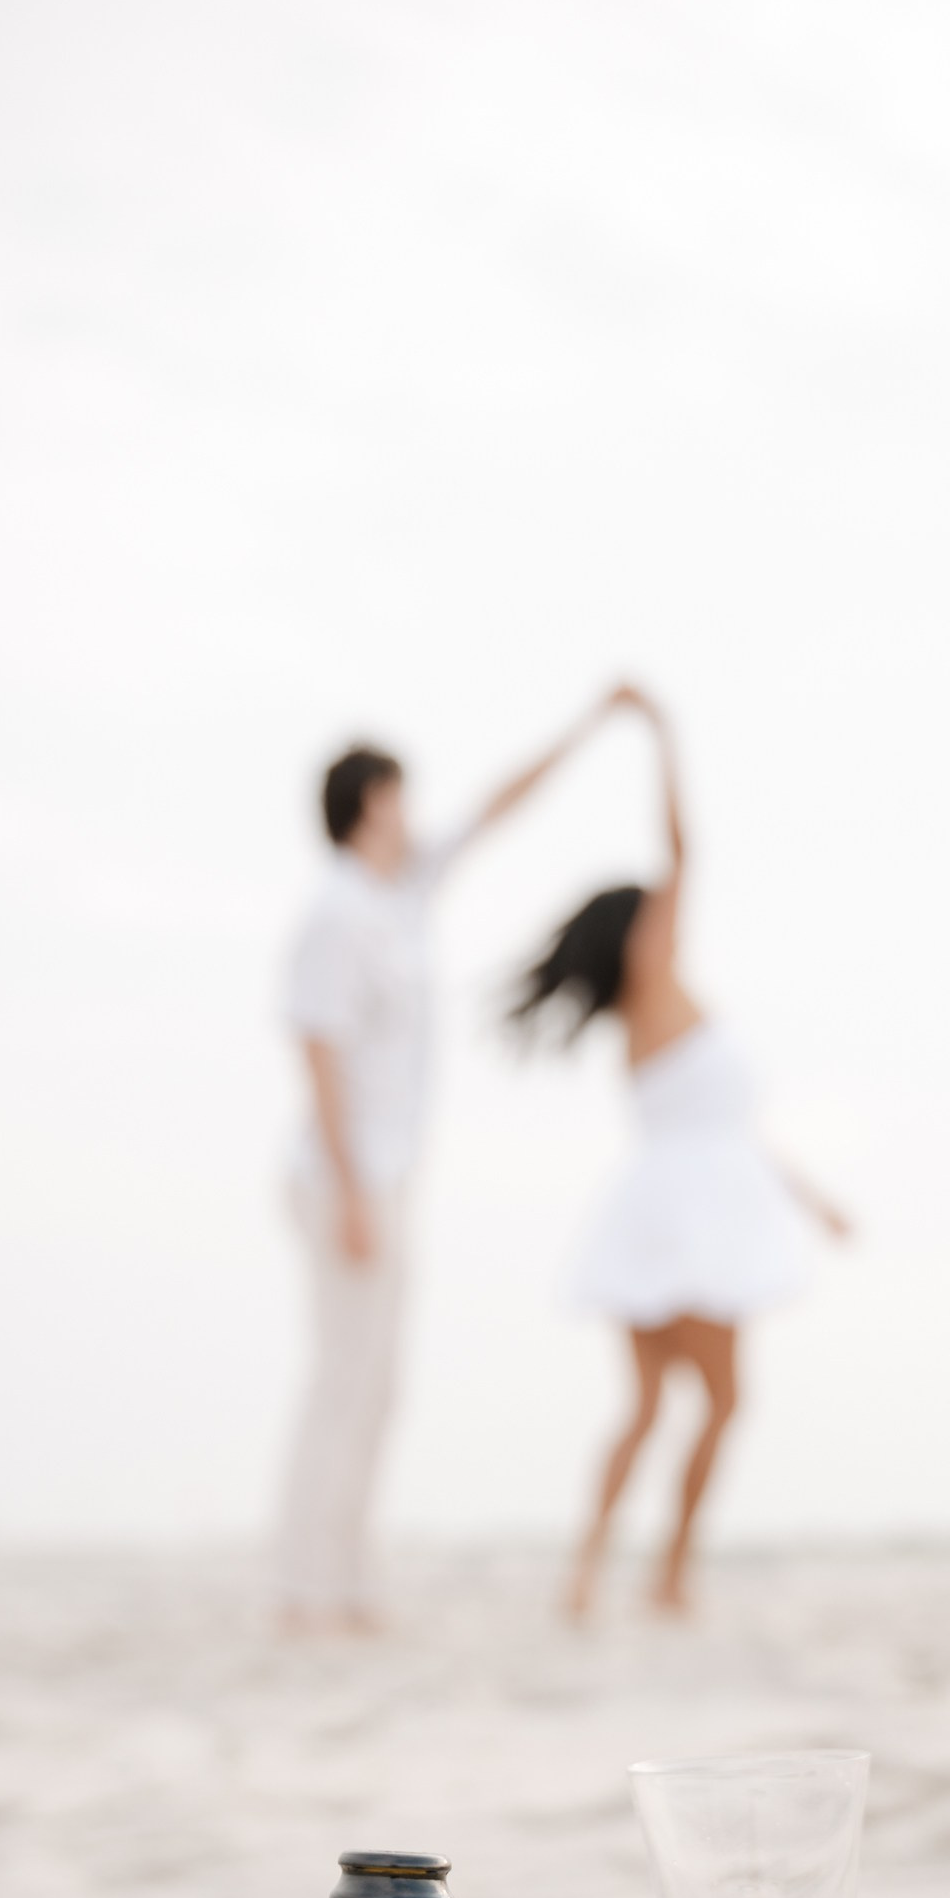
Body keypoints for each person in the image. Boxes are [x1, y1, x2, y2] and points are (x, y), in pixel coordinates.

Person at [276, 694, 625, 1632]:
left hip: (389, 1174)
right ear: (370, 805)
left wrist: (588, 725)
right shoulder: (337, 913)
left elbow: (498, 805)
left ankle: (346, 1581)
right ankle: (303, 1587)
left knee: (380, 1384)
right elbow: (316, 1048)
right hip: (343, 1175)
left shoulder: (405, 892)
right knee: (343, 1376)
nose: (414, 811)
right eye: (399, 797)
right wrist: (352, 1191)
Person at [510, 691, 851, 1618]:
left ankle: (589, 1573)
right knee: (723, 1403)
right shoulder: (657, 992)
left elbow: (731, 1126)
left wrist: (809, 1199)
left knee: (651, 1409)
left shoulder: (648, 1019)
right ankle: (669, 1573)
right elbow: (685, 856)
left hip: (658, 1213)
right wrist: (661, 735)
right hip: (696, 1222)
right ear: (645, 932)